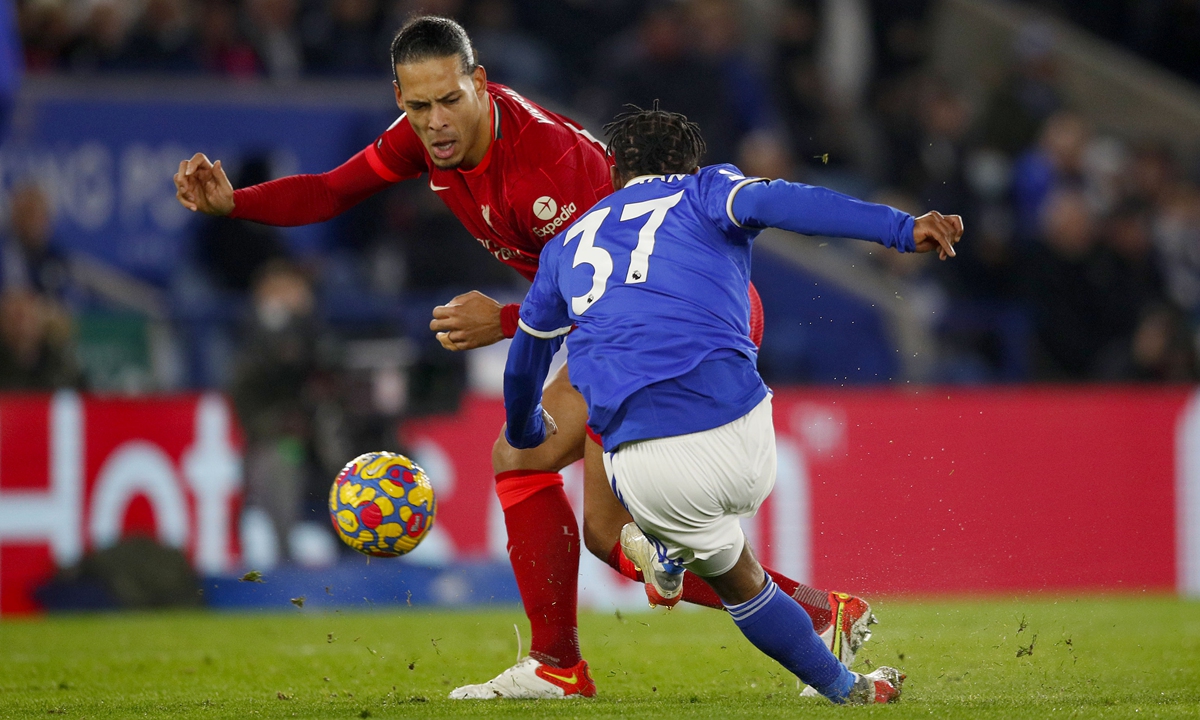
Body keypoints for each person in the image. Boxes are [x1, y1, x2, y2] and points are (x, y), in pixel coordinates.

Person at [174, 15, 879, 699]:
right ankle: (806, 616)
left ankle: (568, 662)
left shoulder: (553, 163)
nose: (437, 121)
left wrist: (504, 320)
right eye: (419, 106)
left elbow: (627, 279)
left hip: (670, 325)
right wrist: (238, 203)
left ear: (480, 82)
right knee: (538, 478)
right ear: (400, 100)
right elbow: (331, 190)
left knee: (601, 525)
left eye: (451, 99)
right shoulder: (421, 139)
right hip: (612, 326)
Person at [503, 105, 961, 703]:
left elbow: (523, 364)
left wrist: (525, 425)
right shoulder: (708, 189)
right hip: (749, 439)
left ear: (612, 170)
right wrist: (901, 228)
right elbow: (794, 202)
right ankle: (847, 684)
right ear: (689, 164)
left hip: (652, 473)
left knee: (719, 571)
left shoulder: (565, 247)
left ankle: (668, 551)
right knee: (711, 512)